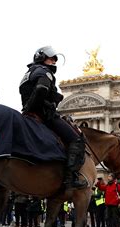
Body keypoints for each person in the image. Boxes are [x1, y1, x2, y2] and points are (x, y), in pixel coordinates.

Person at [19, 46, 86, 189]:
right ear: (41, 59)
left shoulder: (28, 73)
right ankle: (70, 178)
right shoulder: (45, 72)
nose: (54, 62)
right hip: (43, 114)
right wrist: (33, 108)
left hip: (30, 112)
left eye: (55, 60)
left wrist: (26, 109)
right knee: (77, 140)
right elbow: (41, 90)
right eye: (51, 59)